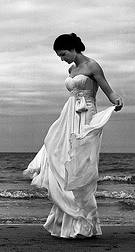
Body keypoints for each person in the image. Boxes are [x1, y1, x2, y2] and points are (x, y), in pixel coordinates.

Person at [23, 33, 123, 239]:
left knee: (80, 163)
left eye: (63, 54)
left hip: (86, 115)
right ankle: (65, 223)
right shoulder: (71, 70)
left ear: (73, 49)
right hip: (69, 114)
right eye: (59, 56)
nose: (62, 59)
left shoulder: (92, 66)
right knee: (59, 154)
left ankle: (82, 222)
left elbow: (107, 89)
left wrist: (116, 100)